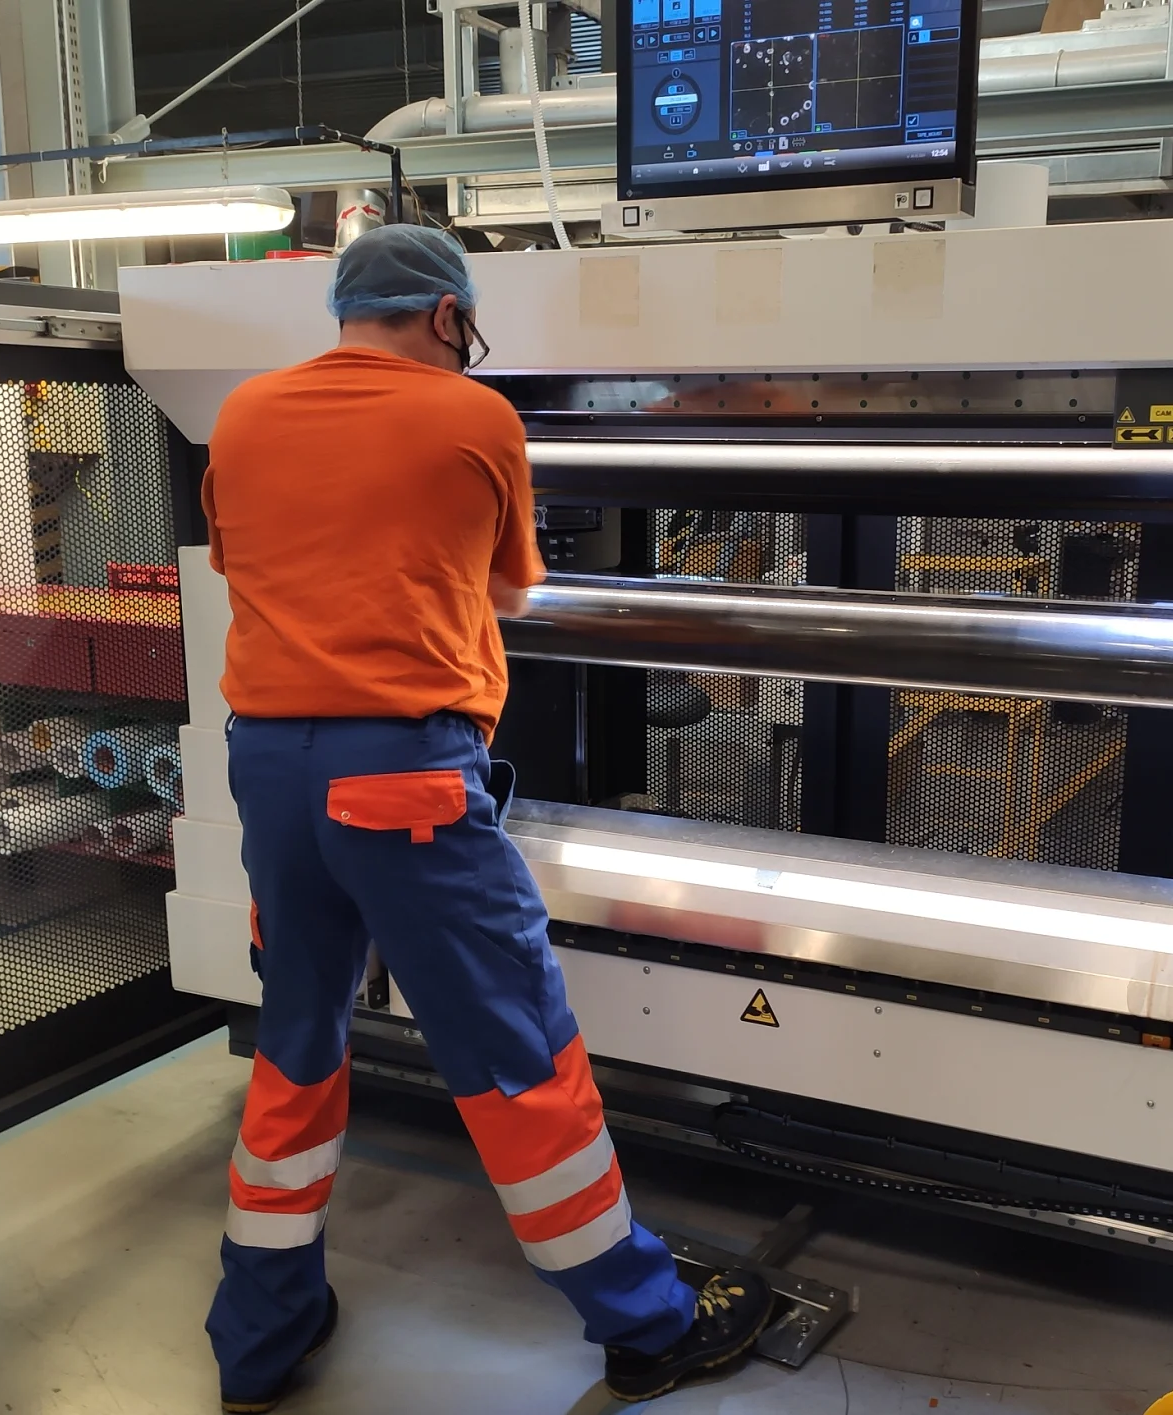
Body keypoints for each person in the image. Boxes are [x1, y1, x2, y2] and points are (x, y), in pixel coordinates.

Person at [199, 223, 772, 1413]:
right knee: (518, 1058)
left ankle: (260, 1332)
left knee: (297, 1040)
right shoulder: (477, 419)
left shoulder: (244, 413)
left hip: (268, 770)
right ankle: (649, 1319)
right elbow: (515, 586)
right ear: (449, 316)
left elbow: (247, 564)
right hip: (405, 780)